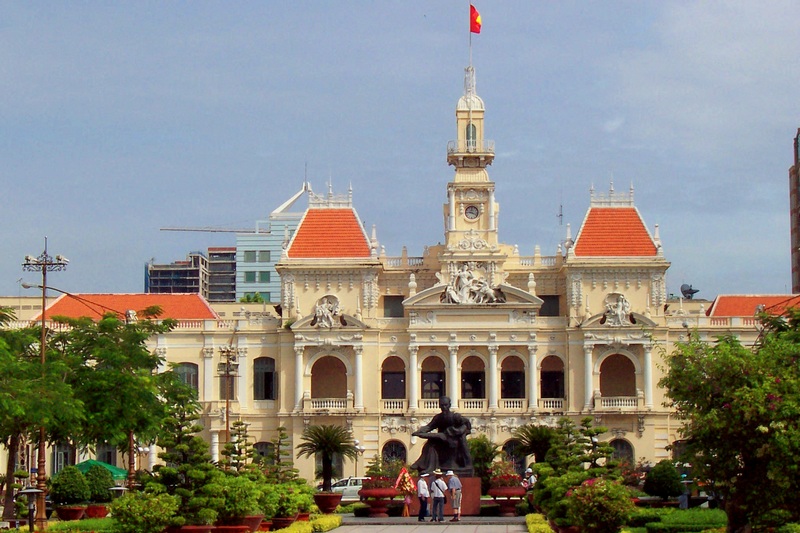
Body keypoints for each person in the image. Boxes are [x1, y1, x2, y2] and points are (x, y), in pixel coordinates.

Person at [411, 396, 473, 474]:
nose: (444, 407)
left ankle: (420, 464)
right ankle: (428, 467)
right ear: (439, 405)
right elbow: (429, 426)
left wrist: (459, 431)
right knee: (430, 444)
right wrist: (419, 431)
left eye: (446, 405)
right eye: (442, 405)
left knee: (437, 438)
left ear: (449, 405)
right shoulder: (438, 417)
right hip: (442, 440)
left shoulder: (454, 416)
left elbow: (466, 424)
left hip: (453, 441)